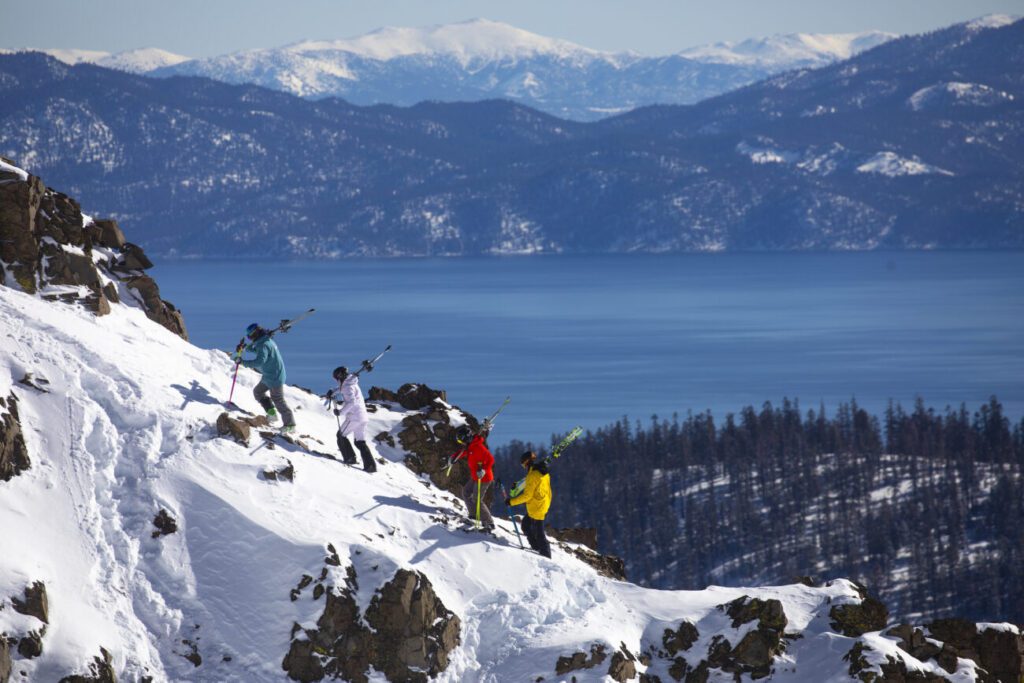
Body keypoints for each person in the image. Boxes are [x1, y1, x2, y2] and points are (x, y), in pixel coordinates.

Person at [240, 323, 295, 433]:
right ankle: (272, 414)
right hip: (269, 375)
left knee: (278, 399)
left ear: (255, 334)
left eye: (250, 336)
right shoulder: (265, 341)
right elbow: (257, 350)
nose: (249, 338)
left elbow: (260, 361)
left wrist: (242, 362)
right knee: (258, 392)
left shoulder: (263, 344)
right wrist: (248, 347)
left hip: (274, 376)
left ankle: (290, 425)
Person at [329, 366, 376, 473]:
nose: (337, 380)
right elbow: (342, 388)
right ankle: (371, 466)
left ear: (340, 376)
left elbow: (351, 402)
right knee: (359, 442)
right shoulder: (351, 383)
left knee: (341, 435)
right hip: (363, 417)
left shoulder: (347, 386)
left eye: (336, 378)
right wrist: (332, 392)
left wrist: (340, 412)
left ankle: (350, 458)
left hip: (354, 416)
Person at [506, 450, 552, 558]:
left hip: (537, 508)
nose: (524, 467)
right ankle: (537, 548)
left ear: (526, 463)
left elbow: (527, 496)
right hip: (542, 504)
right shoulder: (542, 471)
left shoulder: (532, 476)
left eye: (523, 464)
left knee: (539, 533)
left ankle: (545, 554)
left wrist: (511, 502)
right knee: (526, 525)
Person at [452, 425, 495, 529]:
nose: (462, 443)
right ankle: (474, 515)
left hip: (484, 478)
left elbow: (491, 459)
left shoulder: (478, 447)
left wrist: (484, 469)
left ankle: (489, 523)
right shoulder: (470, 446)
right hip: (476, 476)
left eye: (462, 441)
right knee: (466, 492)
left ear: (466, 438)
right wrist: (453, 458)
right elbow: (463, 452)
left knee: (477, 499)